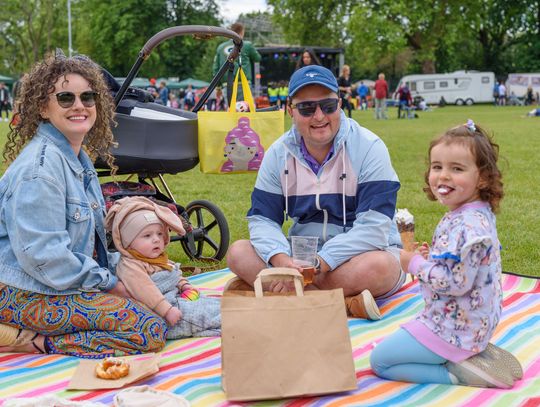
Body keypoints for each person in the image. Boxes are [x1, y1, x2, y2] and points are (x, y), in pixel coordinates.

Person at [0, 53, 167, 357]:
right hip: (22, 291)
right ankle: (32, 341)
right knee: (148, 328)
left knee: (161, 287)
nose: (79, 105)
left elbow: (87, 247)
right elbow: (44, 257)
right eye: (65, 98)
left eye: (88, 97)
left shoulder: (77, 158)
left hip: (57, 281)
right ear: (43, 107)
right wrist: (111, 285)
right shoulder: (40, 170)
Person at [226, 65, 404, 320]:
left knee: (381, 267)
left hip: (357, 255)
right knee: (238, 252)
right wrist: (281, 261)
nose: (319, 116)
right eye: (307, 108)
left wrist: (320, 263)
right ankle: (342, 302)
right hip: (300, 258)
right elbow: (262, 218)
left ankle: (286, 294)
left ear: (340, 105)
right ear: (290, 110)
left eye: (328, 106)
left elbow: (374, 229)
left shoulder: (369, 147)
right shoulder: (278, 153)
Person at [371, 120, 522, 388]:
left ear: (483, 177)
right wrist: (431, 260)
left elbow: (455, 282)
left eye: (457, 168)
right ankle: (470, 353)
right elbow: (464, 267)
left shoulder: (467, 225)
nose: (443, 176)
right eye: (437, 167)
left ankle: (456, 372)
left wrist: (415, 264)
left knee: (381, 361)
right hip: (470, 321)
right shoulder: (474, 212)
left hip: (453, 329)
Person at [104, 196, 221, 339]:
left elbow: (172, 273)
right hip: (161, 311)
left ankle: (232, 313)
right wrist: (167, 311)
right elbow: (146, 291)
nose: (156, 239)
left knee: (211, 303)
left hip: (176, 299)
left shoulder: (157, 259)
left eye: (159, 234)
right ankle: (229, 322)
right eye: (147, 235)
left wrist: (184, 286)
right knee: (199, 316)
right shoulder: (130, 266)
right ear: (128, 242)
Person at [212, 22, 261, 103]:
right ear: (242, 32)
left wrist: (218, 87)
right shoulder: (247, 45)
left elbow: (215, 69)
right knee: (245, 111)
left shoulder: (220, 47)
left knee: (231, 111)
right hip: (243, 83)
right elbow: (258, 58)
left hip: (227, 84)